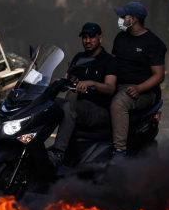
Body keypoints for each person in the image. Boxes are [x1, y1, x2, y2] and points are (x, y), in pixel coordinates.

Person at [47, 22, 118, 167]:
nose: (87, 41)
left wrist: (92, 83)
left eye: (91, 37)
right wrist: (45, 78)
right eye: (84, 37)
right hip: (81, 107)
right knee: (50, 104)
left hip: (100, 111)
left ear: (100, 38)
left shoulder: (109, 61)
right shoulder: (79, 58)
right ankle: (32, 145)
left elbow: (110, 88)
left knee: (69, 108)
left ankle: (59, 153)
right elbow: (65, 82)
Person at [110, 2, 166, 156]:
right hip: (117, 85)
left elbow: (159, 75)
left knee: (119, 103)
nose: (120, 19)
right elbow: (112, 62)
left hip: (142, 91)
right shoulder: (120, 37)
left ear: (133, 20)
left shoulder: (153, 43)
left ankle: (119, 150)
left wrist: (138, 88)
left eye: (123, 16)